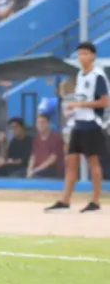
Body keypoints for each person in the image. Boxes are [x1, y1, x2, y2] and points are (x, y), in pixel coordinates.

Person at [46, 41, 108, 213]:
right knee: (70, 161)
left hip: (92, 124)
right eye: (80, 54)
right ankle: (65, 200)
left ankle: (95, 201)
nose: (82, 57)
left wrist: (79, 104)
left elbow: (104, 102)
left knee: (93, 162)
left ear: (92, 56)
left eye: (86, 54)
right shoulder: (80, 75)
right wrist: (72, 109)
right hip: (79, 124)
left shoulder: (98, 76)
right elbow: (80, 99)